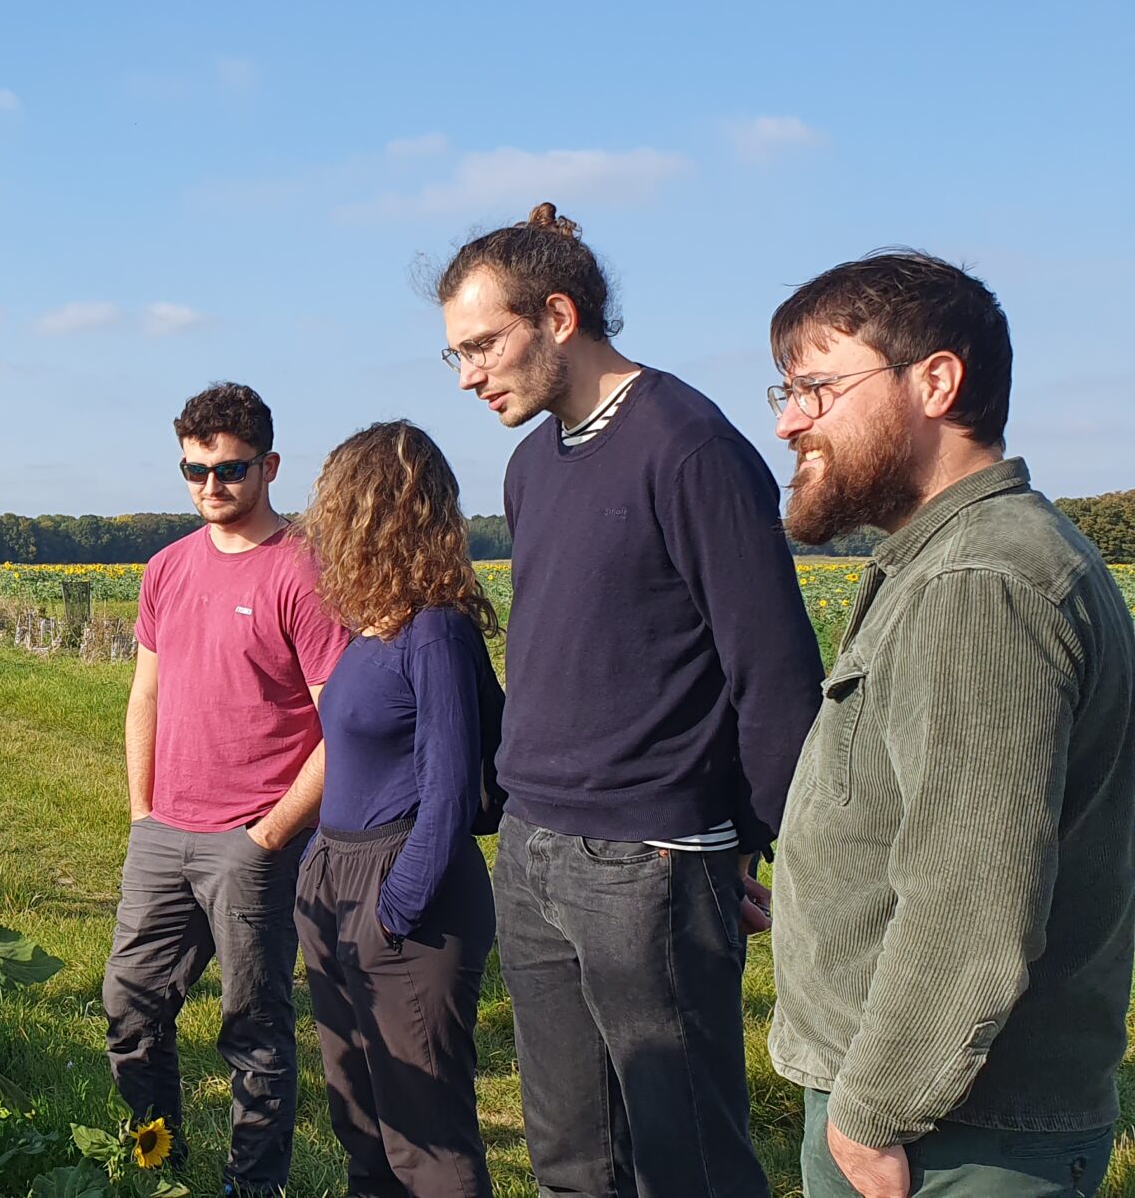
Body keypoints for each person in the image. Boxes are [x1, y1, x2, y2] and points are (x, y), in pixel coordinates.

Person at [436, 203, 823, 1195]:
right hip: (531, 843)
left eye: (481, 345)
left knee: (687, 1160)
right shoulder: (531, 464)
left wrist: (743, 841)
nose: (468, 375)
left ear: (557, 316)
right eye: (456, 354)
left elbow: (773, 672)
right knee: (570, 1160)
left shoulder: (688, 446)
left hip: (649, 859)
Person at [764, 252, 1135, 1198]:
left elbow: (971, 897)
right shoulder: (952, 561)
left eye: (816, 387)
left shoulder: (981, 581)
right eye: (786, 391)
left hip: (950, 1133)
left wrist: (872, 1112)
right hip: (936, 1114)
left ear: (936, 381)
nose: (788, 421)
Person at [103, 383, 349, 1196]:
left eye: (230, 469)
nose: (211, 485)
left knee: (254, 1027)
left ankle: (254, 1183)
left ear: (270, 466)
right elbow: (145, 694)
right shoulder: (167, 567)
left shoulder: (306, 572)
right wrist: (142, 812)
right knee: (129, 1006)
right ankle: (157, 1162)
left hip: (254, 839)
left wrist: (270, 834)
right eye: (194, 470)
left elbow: (343, 726)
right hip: (163, 832)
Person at [293, 420, 502, 1197]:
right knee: (364, 1129)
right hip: (338, 880)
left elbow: (451, 792)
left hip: (406, 888)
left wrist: (396, 908)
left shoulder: (434, 632)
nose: (321, 527)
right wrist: (318, 877)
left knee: (427, 1140)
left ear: (373, 511)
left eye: (334, 507)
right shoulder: (369, 633)